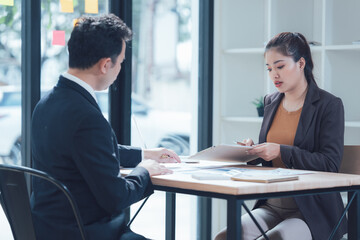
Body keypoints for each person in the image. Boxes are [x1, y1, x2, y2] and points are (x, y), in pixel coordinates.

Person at [30, 14, 181, 240]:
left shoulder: (46, 104)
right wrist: (145, 171)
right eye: (120, 62)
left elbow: (88, 151)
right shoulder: (86, 117)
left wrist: (144, 155)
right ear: (105, 65)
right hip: (88, 233)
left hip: (50, 229)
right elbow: (116, 197)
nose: (119, 69)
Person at [215, 32, 346, 240]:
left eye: (280, 66)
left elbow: (329, 164)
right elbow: (272, 156)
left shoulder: (329, 105)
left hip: (310, 211)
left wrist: (280, 150)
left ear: (301, 63)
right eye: (269, 68)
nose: (274, 74)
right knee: (225, 236)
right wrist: (253, 151)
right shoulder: (271, 101)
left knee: (277, 237)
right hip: (272, 205)